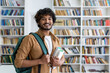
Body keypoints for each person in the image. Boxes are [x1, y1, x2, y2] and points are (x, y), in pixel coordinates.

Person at [14, 8, 65, 73]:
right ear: (38, 22)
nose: (47, 21)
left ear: (53, 21)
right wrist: (40, 61)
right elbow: (18, 62)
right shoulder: (30, 39)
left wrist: (60, 62)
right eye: (43, 19)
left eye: (49, 19)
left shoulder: (56, 39)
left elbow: (62, 57)